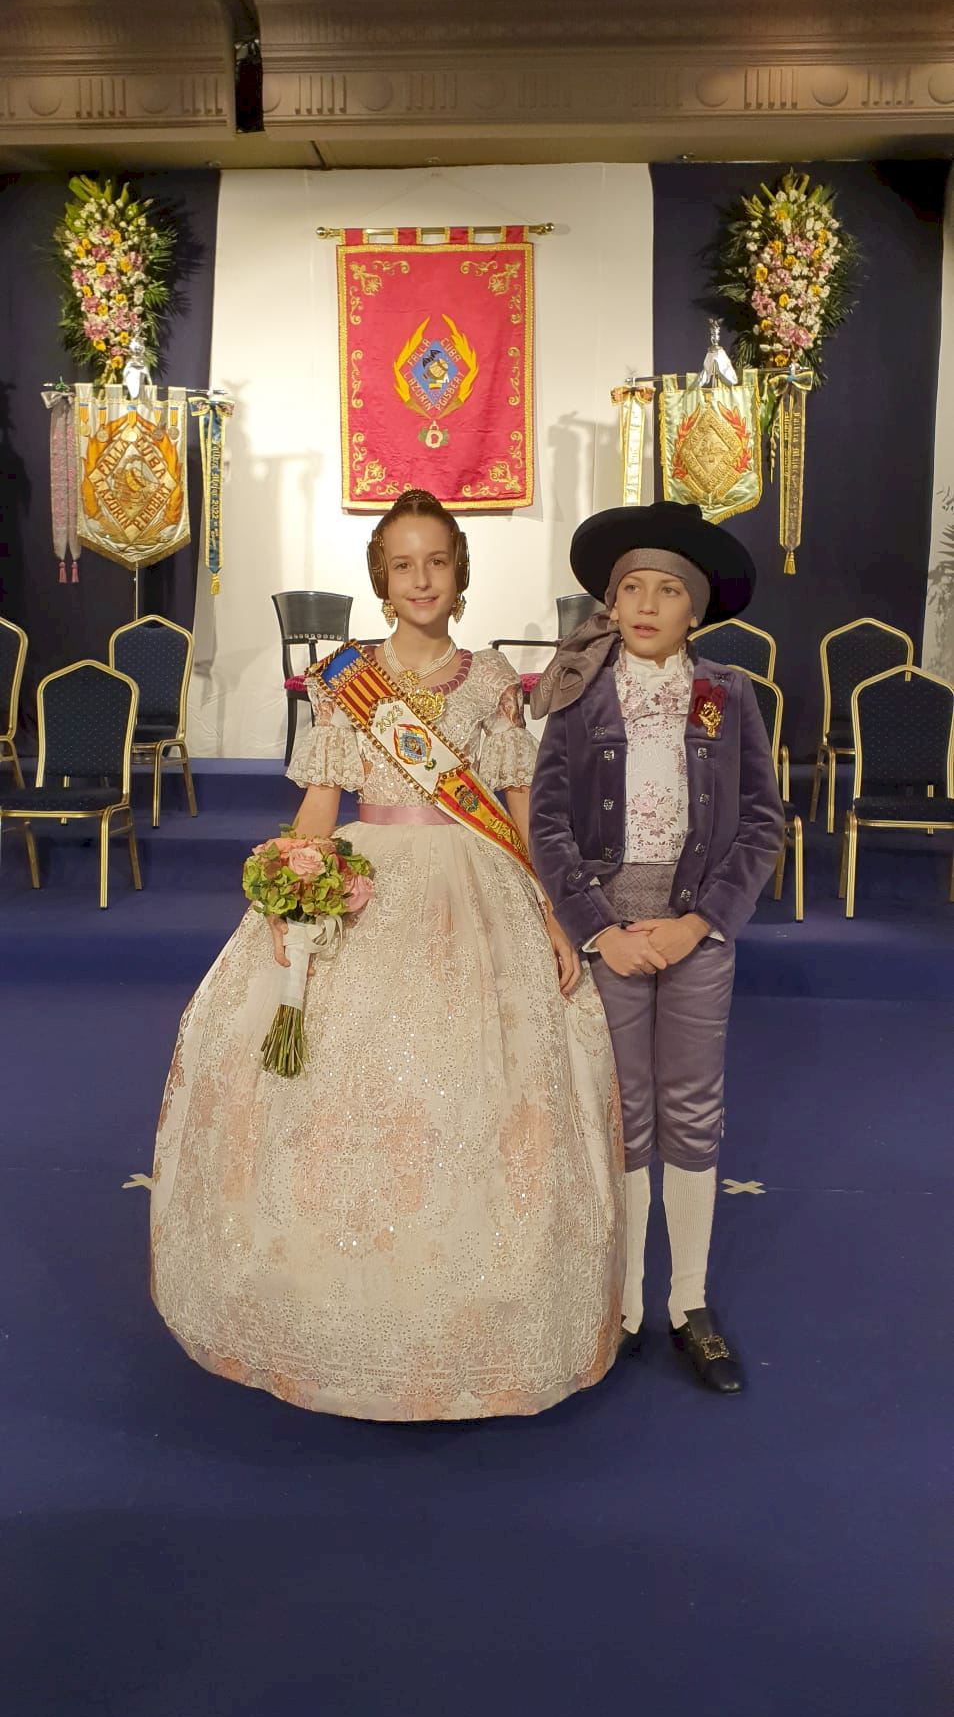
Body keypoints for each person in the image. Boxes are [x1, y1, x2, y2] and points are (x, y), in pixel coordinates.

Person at [149, 489, 623, 1421]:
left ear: (458, 575)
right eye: (403, 565)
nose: (421, 579)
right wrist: (292, 889)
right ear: (382, 579)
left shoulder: (492, 679)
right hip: (365, 881)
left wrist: (553, 909)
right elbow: (322, 801)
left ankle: (477, 1318)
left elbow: (519, 805)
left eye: (436, 562)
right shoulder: (345, 679)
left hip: (477, 884)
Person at [529, 502, 784, 1394]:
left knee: (692, 1109)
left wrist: (698, 921)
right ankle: (631, 1302)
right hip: (611, 934)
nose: (646, 604)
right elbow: (549, 826)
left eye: (667, 591)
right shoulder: (577, 695)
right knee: (627, 1111)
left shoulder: (729, 695)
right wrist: (599, 928)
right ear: (610, 601)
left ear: (695, 611)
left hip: (694, 932)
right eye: (631, 587)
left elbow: (761, 823)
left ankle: (689, 1301)